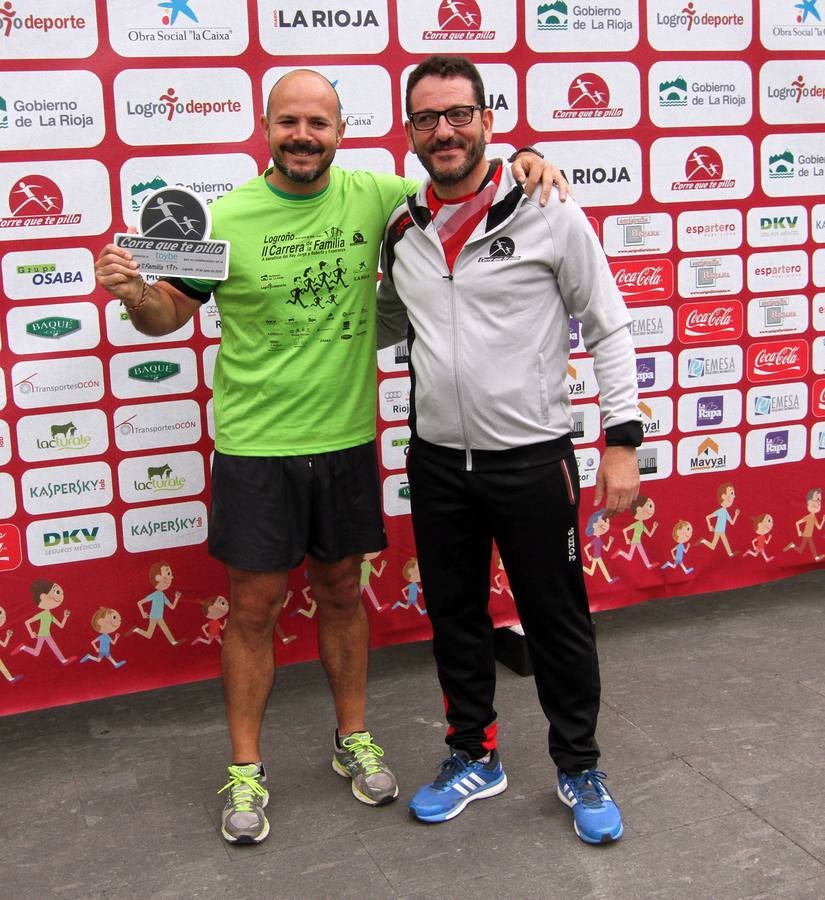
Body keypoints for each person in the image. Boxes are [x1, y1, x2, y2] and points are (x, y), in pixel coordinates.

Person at [94, 68, 563, 845]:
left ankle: (352, 738)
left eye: (319, 123)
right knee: (253, 609)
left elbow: (459, 170)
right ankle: (246, 767)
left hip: (343, 442)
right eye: (289, 123)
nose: (303, 136)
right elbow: (165, 315)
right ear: (267, 129)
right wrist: (133, 293)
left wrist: (528, 155)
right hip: (255, 447)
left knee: (342, 593)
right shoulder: (227, 218)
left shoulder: (375, 197)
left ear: (341, 131)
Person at [377, 55, 642, 845]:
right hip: (437, 461)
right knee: (455, 618)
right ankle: (472, 754)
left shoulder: (547, 207)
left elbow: (608, 324)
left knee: (555, 621)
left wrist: (621, 440)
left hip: (531, 458)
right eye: (426, 118)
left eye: (458, 114)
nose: (443, 131)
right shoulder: (402, 225)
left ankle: (578, 762)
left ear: (487, 120)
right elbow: (394, 322)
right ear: (410, 132)